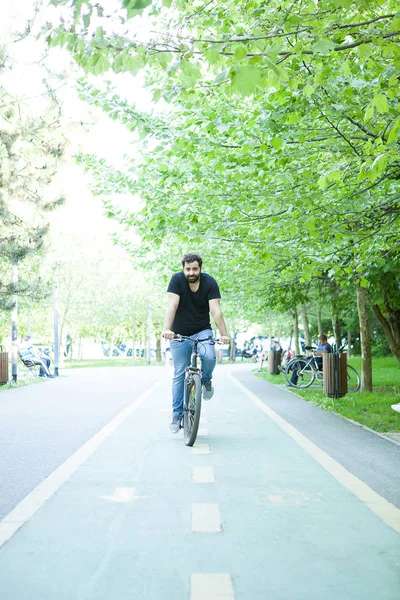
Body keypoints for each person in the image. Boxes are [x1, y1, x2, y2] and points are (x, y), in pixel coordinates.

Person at [163, 252, 230, 433]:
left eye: (194, 269)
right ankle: (177, 414)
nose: (191, 272)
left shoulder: (209, 283)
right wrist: (167, 329)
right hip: (178, 333)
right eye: (188, 269)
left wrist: (224, 334)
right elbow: (172, 306)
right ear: (183, 268)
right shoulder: (177, 281)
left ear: (200, 268)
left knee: (209, 356)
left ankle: (206, 380)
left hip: (202, 331)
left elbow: (216, 310)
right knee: (179, 372)